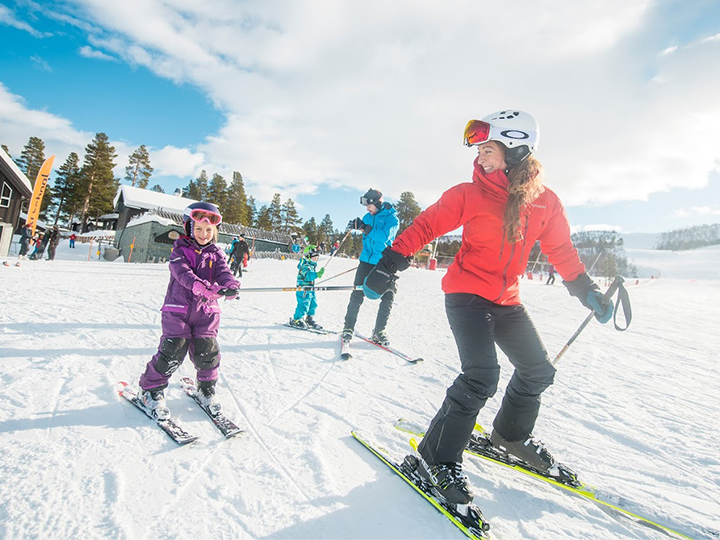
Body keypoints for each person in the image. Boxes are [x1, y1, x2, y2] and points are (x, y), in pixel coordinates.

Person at [363, 110, 614, 505]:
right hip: (466, 293)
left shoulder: (545, 203)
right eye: (479, 149)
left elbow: (561, 251)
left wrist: (586, 290)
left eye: (488, 149)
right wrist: (388, 265)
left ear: (515, 151)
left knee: (537, 370)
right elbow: (427, 225)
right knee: (481, 376)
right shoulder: (469, 193)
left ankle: (510, 436)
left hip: (506, 300)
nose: (480, 156)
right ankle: (436, 459)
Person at [137, 202, 240, 419]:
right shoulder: (180, 250)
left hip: (207, 312)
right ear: (188, 228)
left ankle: (206, 389)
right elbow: (181, 272)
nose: (204, 234)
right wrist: (199, 286)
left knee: (208, 353)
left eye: (209, 230)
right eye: (199, 229)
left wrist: (230, 285)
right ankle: (150, 390)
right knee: (173, 351)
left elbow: (224, 273)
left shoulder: (216, 254)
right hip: (179, 310)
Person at [341, 188, 399, 346]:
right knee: (357, 293)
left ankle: (379, 331)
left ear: (378, 203)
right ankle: (348, 328)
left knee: (388, 295)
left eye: (369, 205)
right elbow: (367, 237)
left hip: (384, 263)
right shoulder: (368, 217)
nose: (367, 209)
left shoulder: (392, 219)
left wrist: (365, 228)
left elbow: (384, 237)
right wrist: (356, 225)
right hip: (366, 261)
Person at [288, 245, 325, 329]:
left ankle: (309, 318)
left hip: (310, 289)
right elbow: (308, 275)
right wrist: (317, 274)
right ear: (308, 257)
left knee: (313, 304)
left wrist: (317, 274)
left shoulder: (311, 265)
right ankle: (297, 319)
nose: (315, 260)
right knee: (303, 304)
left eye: (316, 258)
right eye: (313, 258)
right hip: (303, 289)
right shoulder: (305, 265)